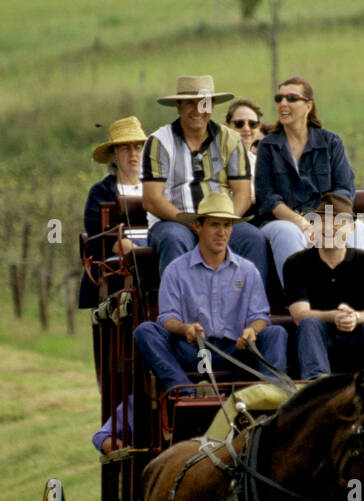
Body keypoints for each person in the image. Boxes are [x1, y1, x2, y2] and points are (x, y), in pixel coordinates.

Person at [134, 192, 287, 392]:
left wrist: (252, 331)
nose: (222, 232)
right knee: (145, 331)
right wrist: (185, 328)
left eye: (227, 225)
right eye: (215, 225)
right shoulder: (176, 270)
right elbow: (167, 318)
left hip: (236, 350)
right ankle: (186, 392)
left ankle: (270, 394)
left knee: (276, 333)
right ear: (199, 227)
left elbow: (260, 316)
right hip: (193, 352)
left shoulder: (248, 270)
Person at [141, 74, 270, 286]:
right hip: (174, 221)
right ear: (179, 107)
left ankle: (252, 311)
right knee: (174, 240)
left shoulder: (231, 139)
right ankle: (180, 313)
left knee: (253, 239)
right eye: (190, 104)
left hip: (222, 218)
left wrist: (224, 224)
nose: (198, 110)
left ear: (211, 107)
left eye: (204, 103)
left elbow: (243, 194)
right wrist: (193, 223)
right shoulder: (159, 142)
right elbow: (152, 200)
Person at [254, 76, 364, 285]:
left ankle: (349, 299)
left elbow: (344, 188)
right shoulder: (268, 147)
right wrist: (300, 222)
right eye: (279, 98)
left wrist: (322, 221)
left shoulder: (331, 142)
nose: (283, 104)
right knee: (286, 232)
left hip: (327, 217)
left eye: (291, 98)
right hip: (282, 221)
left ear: (308, 106)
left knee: (356, 228)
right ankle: (301, 301)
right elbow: (267, 197)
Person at [284, 193, 364, 381]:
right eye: (323, 221)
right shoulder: (296, 264)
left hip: (359, 344)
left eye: (339, 222)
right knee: (309, 323)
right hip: (318, 346)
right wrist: (334, 316)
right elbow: (299, 315)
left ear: (351, 228)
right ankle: (317, 380)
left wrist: (354, 317)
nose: (330, 228)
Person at [79, 116, 148, 308]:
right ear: (113, 155)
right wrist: (138, 252)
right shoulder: (100, 193)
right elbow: (104, 238)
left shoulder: (157, 189)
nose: (133, 154)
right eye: (125, 148)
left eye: (138, 147)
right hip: (119, 263)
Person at [224, 96, 264, 201]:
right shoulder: (217, 161)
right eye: (239, 124)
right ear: (227, 126)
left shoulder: (260, 163)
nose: (246, 129)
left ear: (259, 128)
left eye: (252, 124)